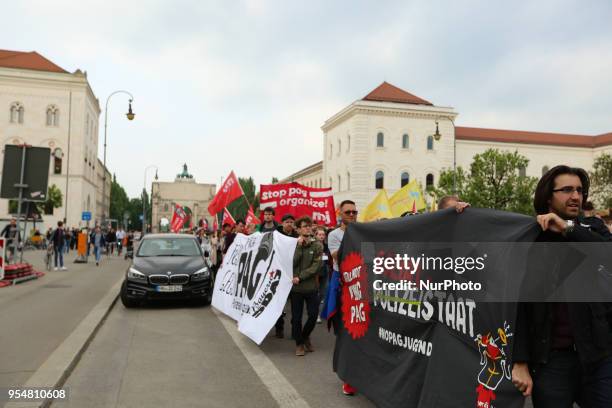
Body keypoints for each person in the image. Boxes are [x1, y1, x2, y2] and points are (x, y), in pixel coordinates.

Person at [511, 165, 612, 407]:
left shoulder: (592, 229)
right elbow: (519, 305)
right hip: (552, 361)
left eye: (579, 190)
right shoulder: (530, 238)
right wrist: (520, 362)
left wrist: (568, 229)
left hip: (599, 357)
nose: (576, 196)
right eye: (566, 190)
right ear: (548, 196)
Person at [327, 200, 359, 396]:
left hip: (360, 286)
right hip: (342, 285)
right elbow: (337, 257)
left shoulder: (362, 230)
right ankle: (347, 377)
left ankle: (357, 375)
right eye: (348, 212)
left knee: (361, 332)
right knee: (345, 332)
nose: (352, 215)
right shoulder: (334, 235)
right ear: (340, 213)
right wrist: (352, 237)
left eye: (355, 212)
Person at [290, 216, 323, 356]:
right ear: (298, 229)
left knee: (313, 315)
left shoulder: (317, 245)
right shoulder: (292, 244)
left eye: (309, 226)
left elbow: (316, 266)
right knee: (296, 318)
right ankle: (299, 344)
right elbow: (292, 262)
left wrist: (300, 277)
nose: (308, 228)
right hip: (296, 289)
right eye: (304, 226)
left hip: (310, 287)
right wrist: (298, 246)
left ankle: (304, 336)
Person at [274, 214, 299, 338]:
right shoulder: (275, 236)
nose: (289, 224)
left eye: (291, 222)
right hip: (279, 275)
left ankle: (295, 330)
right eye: (287, 221)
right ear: (282, 223)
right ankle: (279, 328)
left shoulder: (297, 237)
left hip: (293, 275)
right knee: (279, 304)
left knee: (295, 305)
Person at [314, 225, 332, 323]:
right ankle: (315, 314)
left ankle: (320, 314)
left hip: (325, 272)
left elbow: (329, 259)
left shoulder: (327, 246)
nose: (321, 236)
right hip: (315, 273)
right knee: (316, 294)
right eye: (319, 234)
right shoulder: (312, 245)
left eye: (323, 235)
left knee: (323, 293)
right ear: (315, 235)